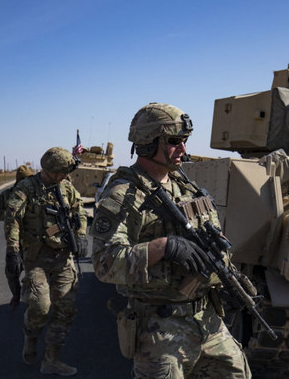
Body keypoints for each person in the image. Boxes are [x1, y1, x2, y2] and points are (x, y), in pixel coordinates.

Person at [90, 103, 251, 379]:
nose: (183, 149)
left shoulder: (184, 186)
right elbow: (104, 263)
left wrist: (227, 275)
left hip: (208, 320)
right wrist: (164, 247)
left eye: (184, 141)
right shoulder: (123, 195)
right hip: (160, 327)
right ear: (148, 143)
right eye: (174, 141)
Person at [4, 147, 88, 377]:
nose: (64, 176)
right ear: (51, 170)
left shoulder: (66, 187)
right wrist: (13, 251)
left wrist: (81, 235)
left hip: (62, 258)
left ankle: (52, 359)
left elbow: (79, 211)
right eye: (61, 172)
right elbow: (12, 220)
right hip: (37, 258)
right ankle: (31, 335)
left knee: (66, 309)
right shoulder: (27, 189)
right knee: (41, 306)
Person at [0, 164, 35, 309]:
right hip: (15, 241)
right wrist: (11, 216)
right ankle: (16, 295)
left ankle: (33, 300)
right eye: (24, 180)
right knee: (12, 272)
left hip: (34, 241)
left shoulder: (36, 194)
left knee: (34, 273)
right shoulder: (7, 195)